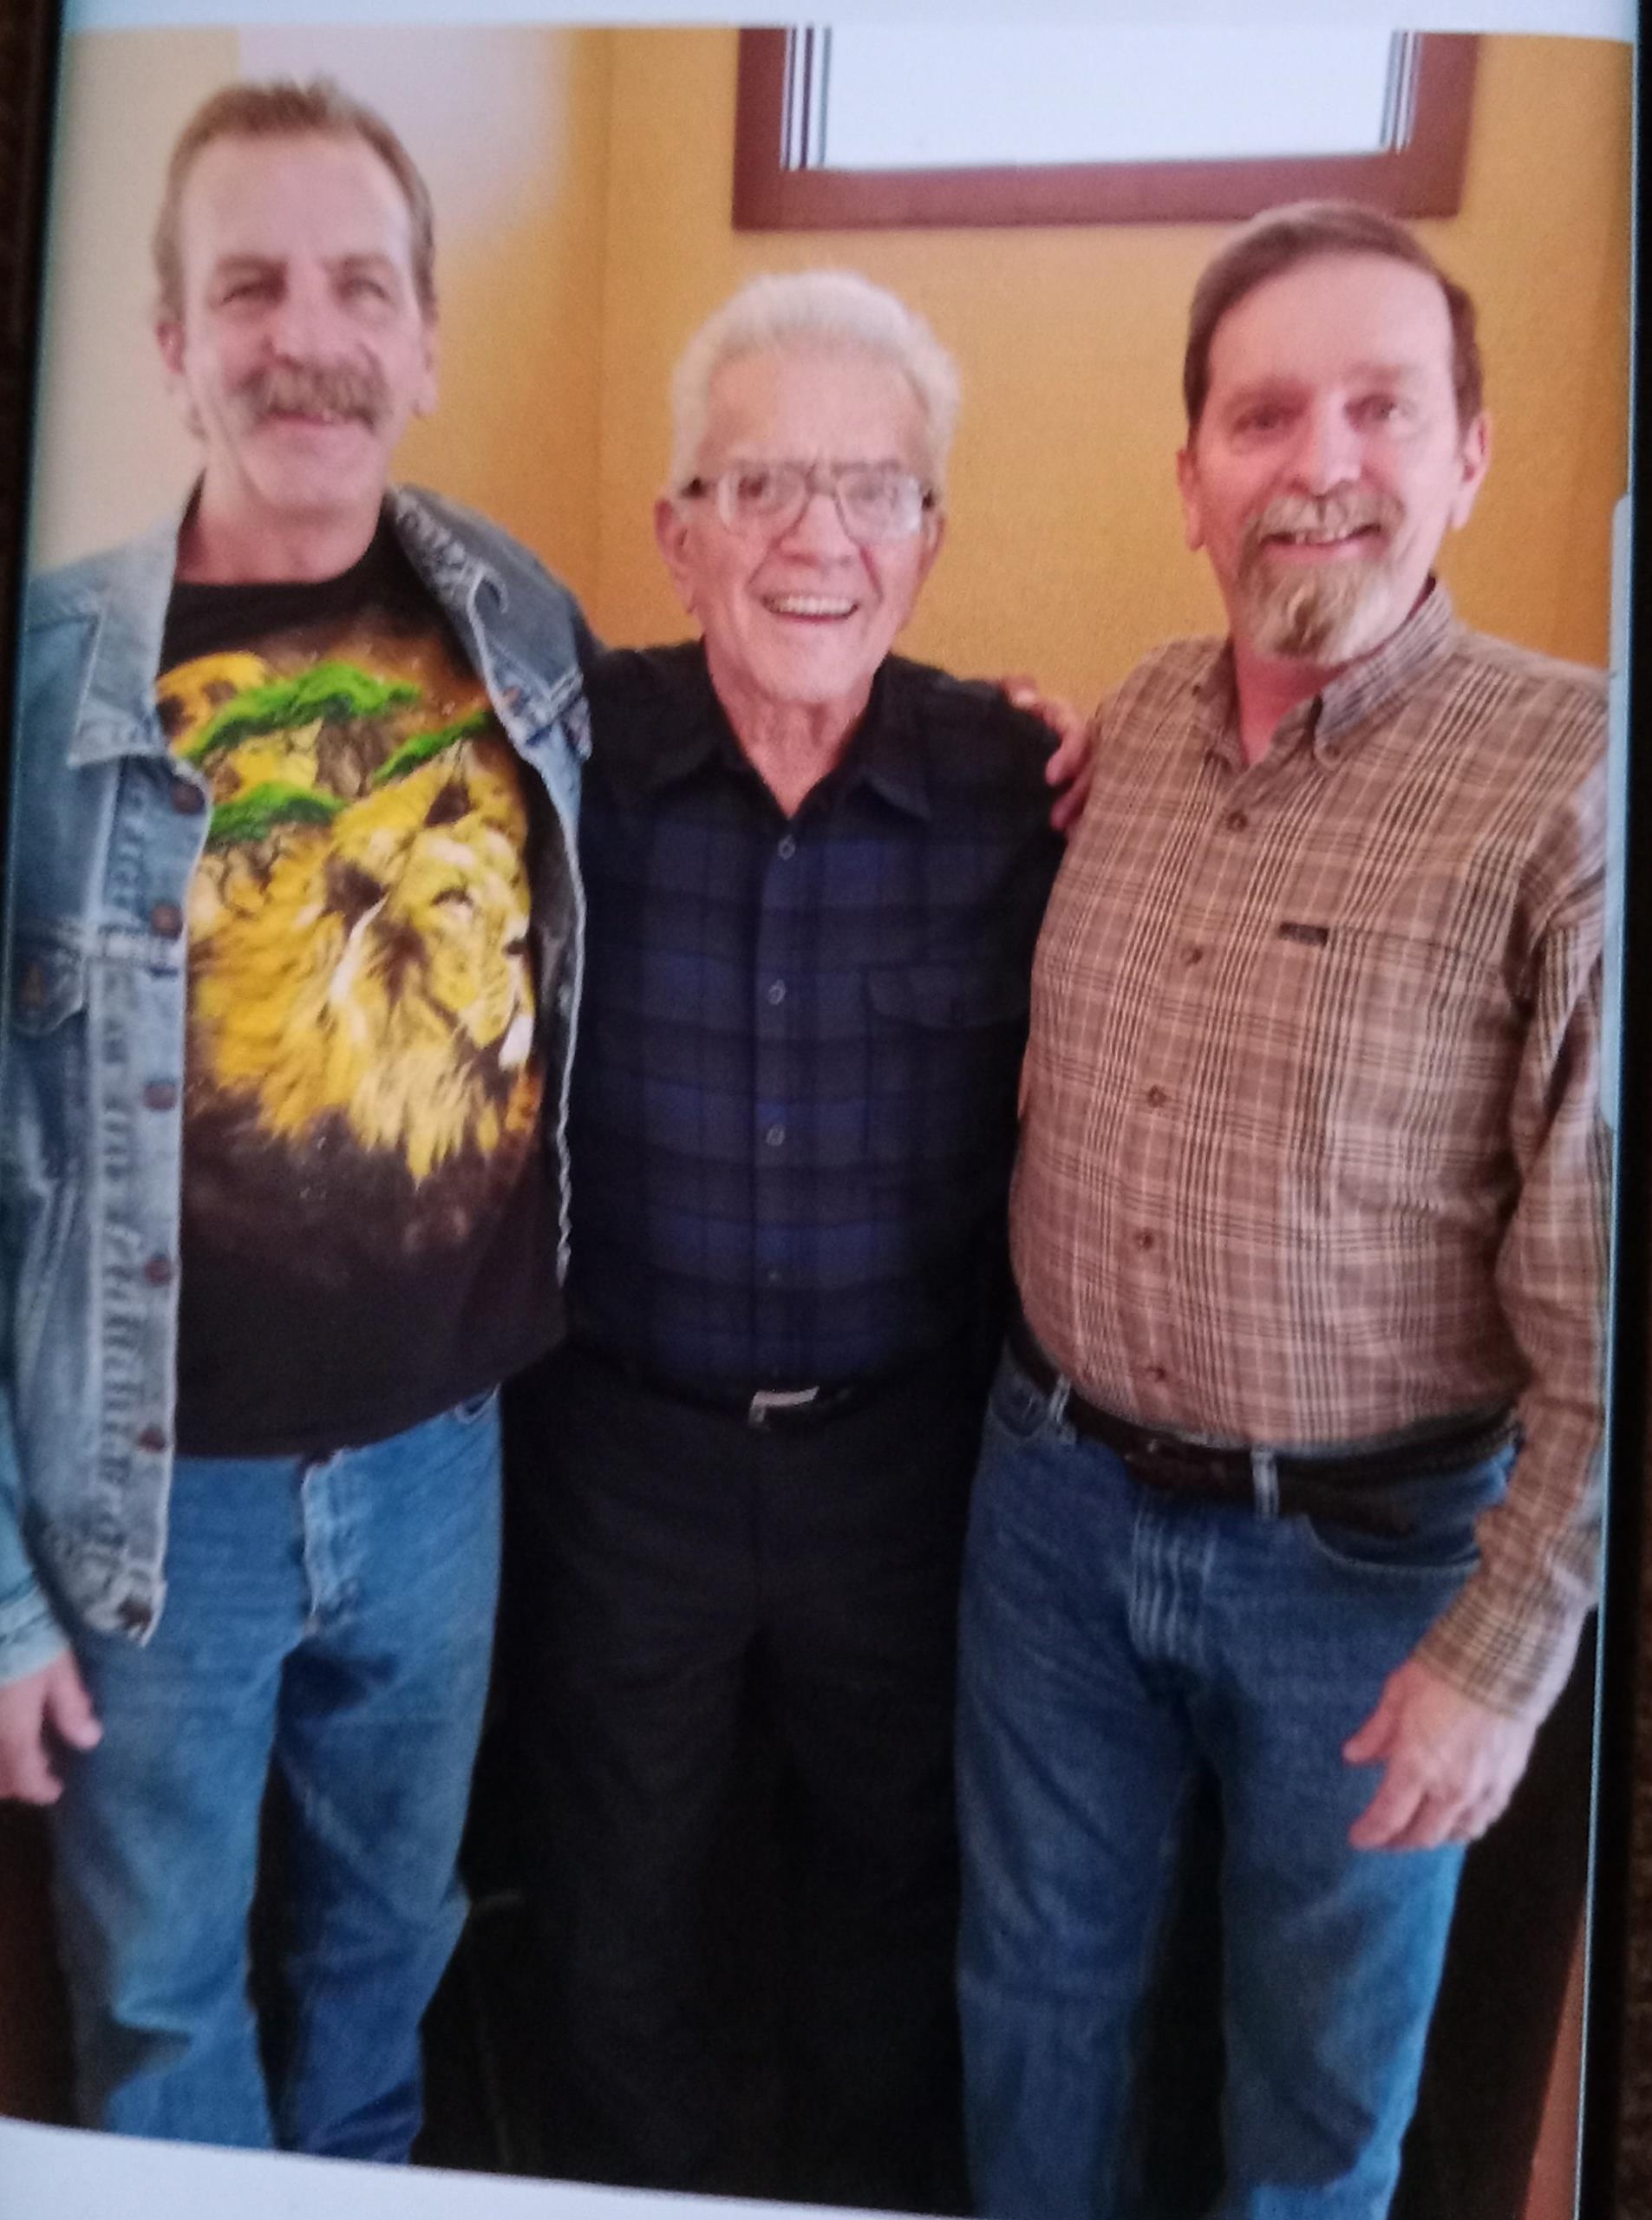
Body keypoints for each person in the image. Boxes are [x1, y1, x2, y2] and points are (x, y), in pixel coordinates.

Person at [957, 201, 1608, 2217]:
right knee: (1031, 2009)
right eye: (1259, 416)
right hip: (1050, 1515)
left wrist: (1502, 1651)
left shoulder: (1571, 776)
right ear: (1187, 481)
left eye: (1376, 409)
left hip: (1369, 1568)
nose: (1316, 461)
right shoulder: (1133, 723)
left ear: (1465, 456)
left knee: (1315, 2100)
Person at [0, 77, 587, 2158]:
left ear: (424, 339)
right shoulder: (49, 677)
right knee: (157, 2001)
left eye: (358, 285)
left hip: (447, 1467)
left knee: (385, 1949)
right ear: (171, 342)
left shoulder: (518, 622)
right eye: (246, 285)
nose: (306, 333)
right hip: (153, 1506)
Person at [506, 271, 1072, 2210]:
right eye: (756, 487)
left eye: (870, 488)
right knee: (616, 1891)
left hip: (902, 1462)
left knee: (891, 1885)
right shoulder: (554, 768)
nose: (814, 537)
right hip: (621, 1451)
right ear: (675, 532)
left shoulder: (1025, 789)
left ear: (930, 535)